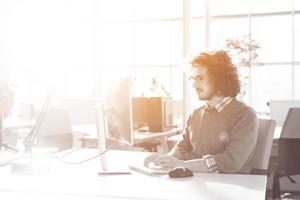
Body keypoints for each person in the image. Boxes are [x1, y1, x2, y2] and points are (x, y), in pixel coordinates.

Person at [144, 50, 258, 174]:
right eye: (193, 78)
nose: (194, 85)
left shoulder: (245, 115)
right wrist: (166, 159)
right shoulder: (195, 114)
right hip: (196, 182)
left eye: (200, 78)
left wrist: (181, 164)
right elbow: (182, 147)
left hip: (232, 187)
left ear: (219, 79)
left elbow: (231, 162)